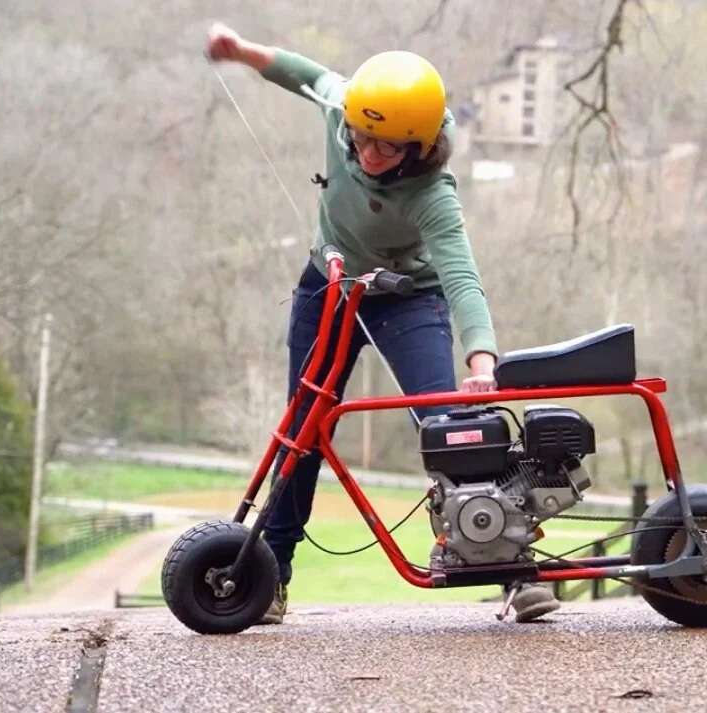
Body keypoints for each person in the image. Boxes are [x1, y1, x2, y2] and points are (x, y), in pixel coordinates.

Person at [204, 23, 561, 625]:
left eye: (388, 146)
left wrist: (482, 364)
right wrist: (239, 51)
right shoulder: (345, 109)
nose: (369, 152)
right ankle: (272, 576)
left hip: (407, 297)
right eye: (364, 137)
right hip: (329, 285)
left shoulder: (432, 195)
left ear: (417, 148)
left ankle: (507, 569)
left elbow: (462, 279)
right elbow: (300, 71)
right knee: (303, 427)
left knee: (447, 427)